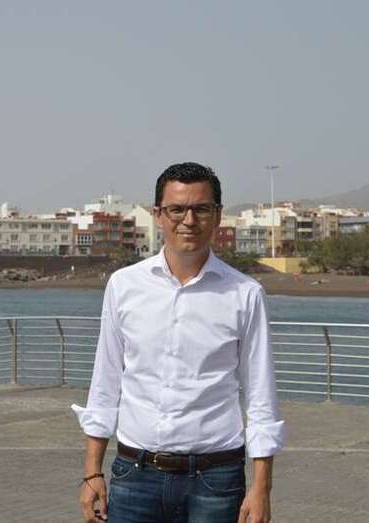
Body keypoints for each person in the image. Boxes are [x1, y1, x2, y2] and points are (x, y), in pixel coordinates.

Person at [72, 162, 286, 522]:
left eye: (201, 209)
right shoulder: (124, 286)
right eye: (177, 209)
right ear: (158, 215)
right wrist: (92, 472)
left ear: (217, 216)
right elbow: (105, 385)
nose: (189, 220)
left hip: (215, 480)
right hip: (135, 474)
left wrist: (261, 487)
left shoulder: (245, 294)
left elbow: (261, 397)